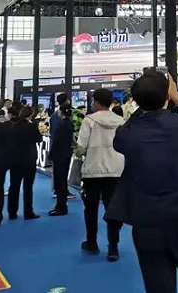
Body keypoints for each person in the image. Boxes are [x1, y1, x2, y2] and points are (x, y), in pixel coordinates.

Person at [107, 71, 178, 293]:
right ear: (168, 95)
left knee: (158, 286)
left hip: (146, 221)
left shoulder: (127, 135)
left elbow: (125, 130)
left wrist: (143, 104)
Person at [77, 88, 125, 261]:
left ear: (96, 102)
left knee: (90, 208)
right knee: (113, 209)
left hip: (93, 170)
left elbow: (81, 145)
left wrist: (81, 153)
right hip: (116, 169)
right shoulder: (121, 121)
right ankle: (113, 247)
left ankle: (91, 242)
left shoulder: (89, 120)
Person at [7, 105, 42, 220]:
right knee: (28, 187)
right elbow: (39, 139)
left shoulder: (13, 126)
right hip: (29, 160)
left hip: (15, 159)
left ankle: (12, 212)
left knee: (14, 186)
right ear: (31, 114)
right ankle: (28, 212)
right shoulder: (32, 126)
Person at [49, 93, 74, 217]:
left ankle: (61, 206)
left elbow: (56, 139)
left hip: (59, 155)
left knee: (60, 180)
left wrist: (51, 155)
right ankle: (62, 205)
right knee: (62, 179)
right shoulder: (69, 123)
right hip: (66, 153)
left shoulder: (61, 124)